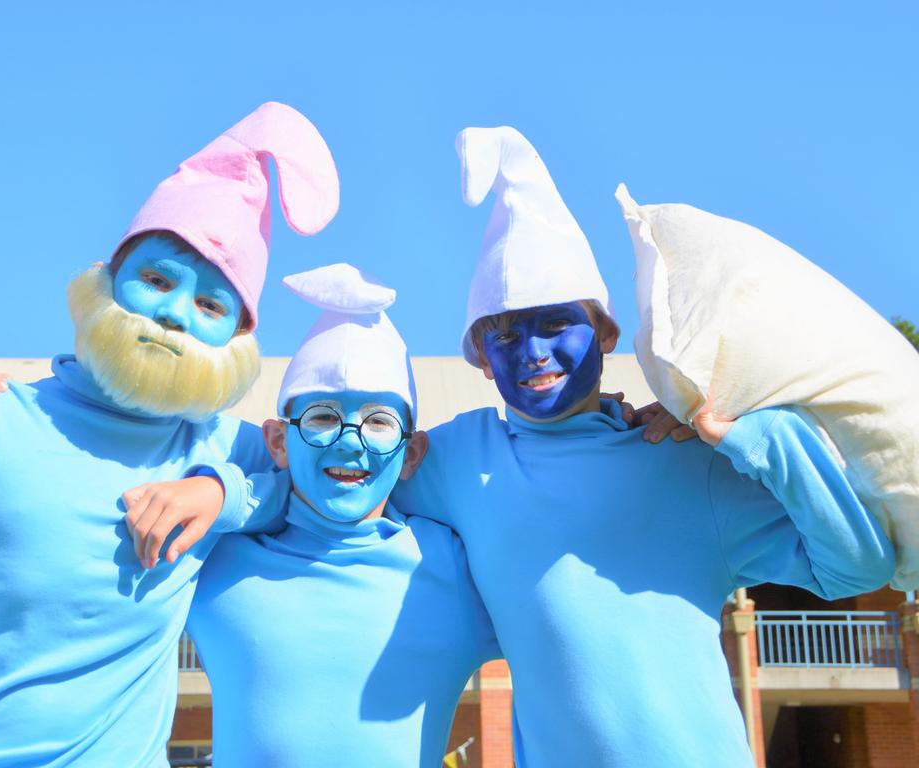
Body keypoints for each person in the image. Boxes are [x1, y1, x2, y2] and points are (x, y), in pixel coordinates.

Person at [383, 126, 896, 767]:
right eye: (505, 335)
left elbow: (855, 568)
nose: (532, 353)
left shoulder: (681, 461)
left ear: (603, 331)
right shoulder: (461, 459)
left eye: (555, 324)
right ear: (479, 357)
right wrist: (228, 486)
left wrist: (760, 435)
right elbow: (330, 483)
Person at [0, 101, 338, 767]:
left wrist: (222, 494)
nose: (172, 314)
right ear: (110, 279)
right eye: (156, 278)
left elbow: (313, 489)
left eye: (210, 304)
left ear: (240, 337)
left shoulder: (226, 448)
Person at [184, 263, 499, 766]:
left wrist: (636, 421)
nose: (349, 443)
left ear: (412, 454)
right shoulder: (213, 560)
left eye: (378, 422)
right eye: (324, 416)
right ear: (277, 441)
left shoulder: (458, 568)